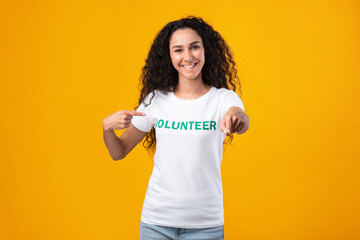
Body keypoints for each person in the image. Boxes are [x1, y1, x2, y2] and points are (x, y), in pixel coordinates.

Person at [102, 16, 250, 240]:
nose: (188, 57)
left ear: (205, 50)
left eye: (195, 47)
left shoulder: (222, 99)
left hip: (206, 226)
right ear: (169, 56)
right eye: (178, 50)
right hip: (156, 224)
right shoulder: (156, 100)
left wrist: (235, 117)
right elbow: (118, 152)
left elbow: (241, 119)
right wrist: (107, 128)